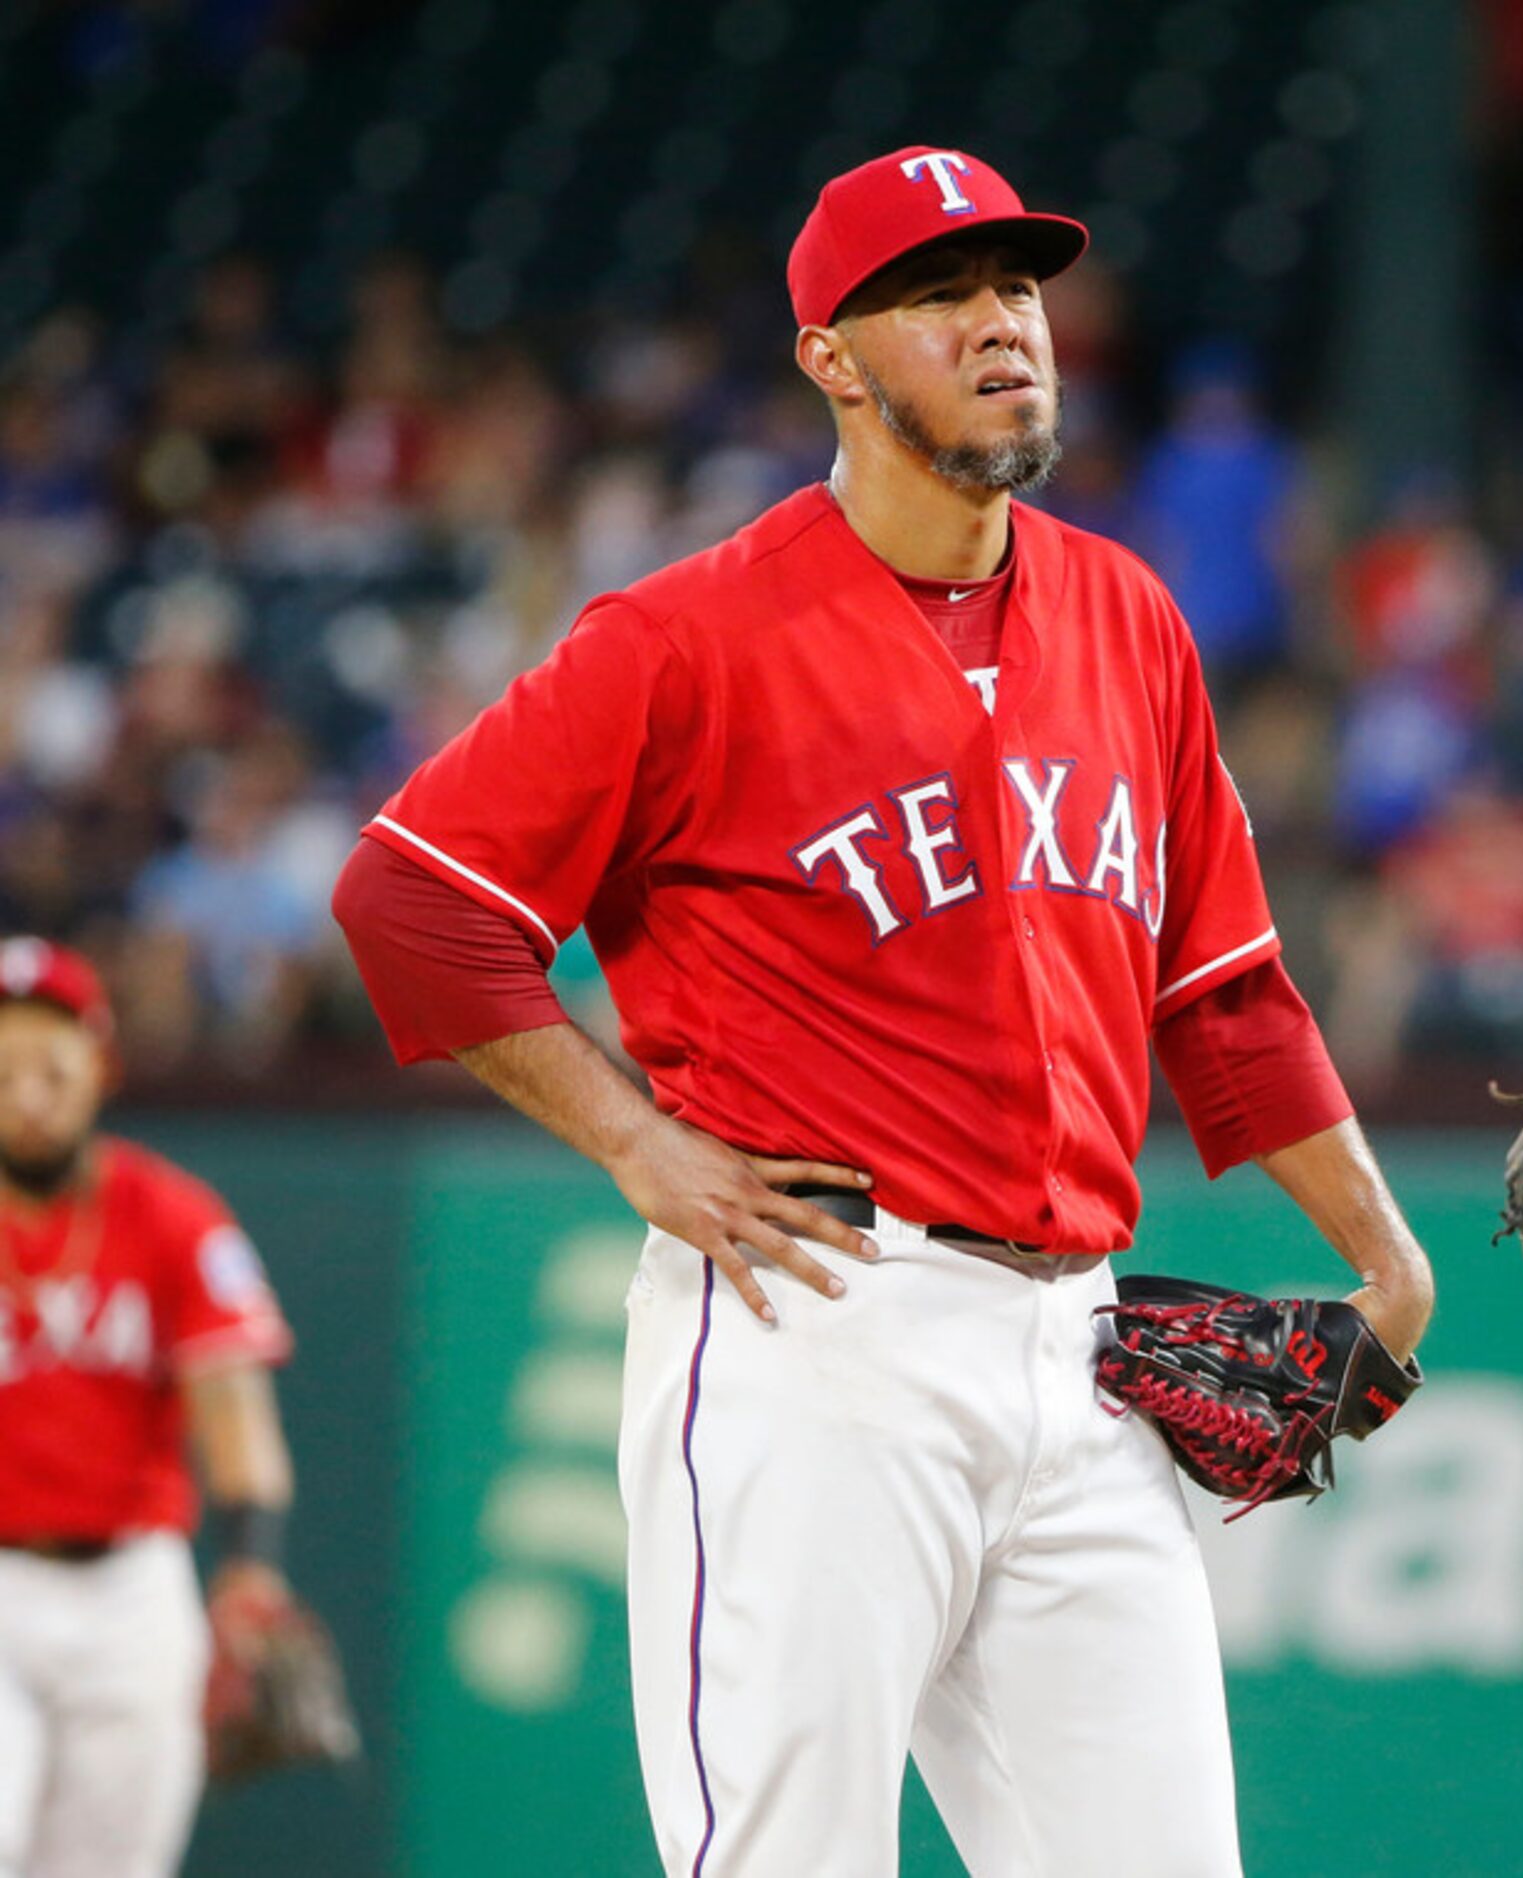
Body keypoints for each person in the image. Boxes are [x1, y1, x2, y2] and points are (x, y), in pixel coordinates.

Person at [332, 146, 1434, 1876]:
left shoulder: (1125, 616)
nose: (1001, 326)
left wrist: (1385, 1249)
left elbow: (1220, 986)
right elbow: (412, 900)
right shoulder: (684, 637)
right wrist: (632, 1137)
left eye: (1016, 287)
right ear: (830, 359)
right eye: (937, 296)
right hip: (816, 1319)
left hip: (1082, 1353)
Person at [0, 936, 301, 1877]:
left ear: (102, 1066)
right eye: (3, 1069)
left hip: (132, 1588)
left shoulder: (171, 1214)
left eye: (52, 1064)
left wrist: (249, 1574)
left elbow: (236, 1417)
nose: (27, 1092)